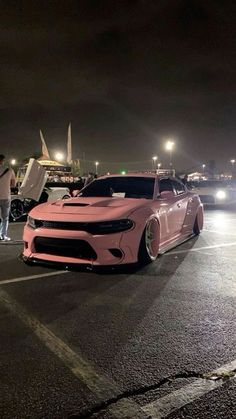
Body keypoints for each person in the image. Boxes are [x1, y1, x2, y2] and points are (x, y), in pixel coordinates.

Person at [0, 154, 16, 241]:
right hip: (5, 196)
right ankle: (3, 236)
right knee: (5, 218)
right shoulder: (9, 170)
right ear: (3, 160)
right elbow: (13, 184)